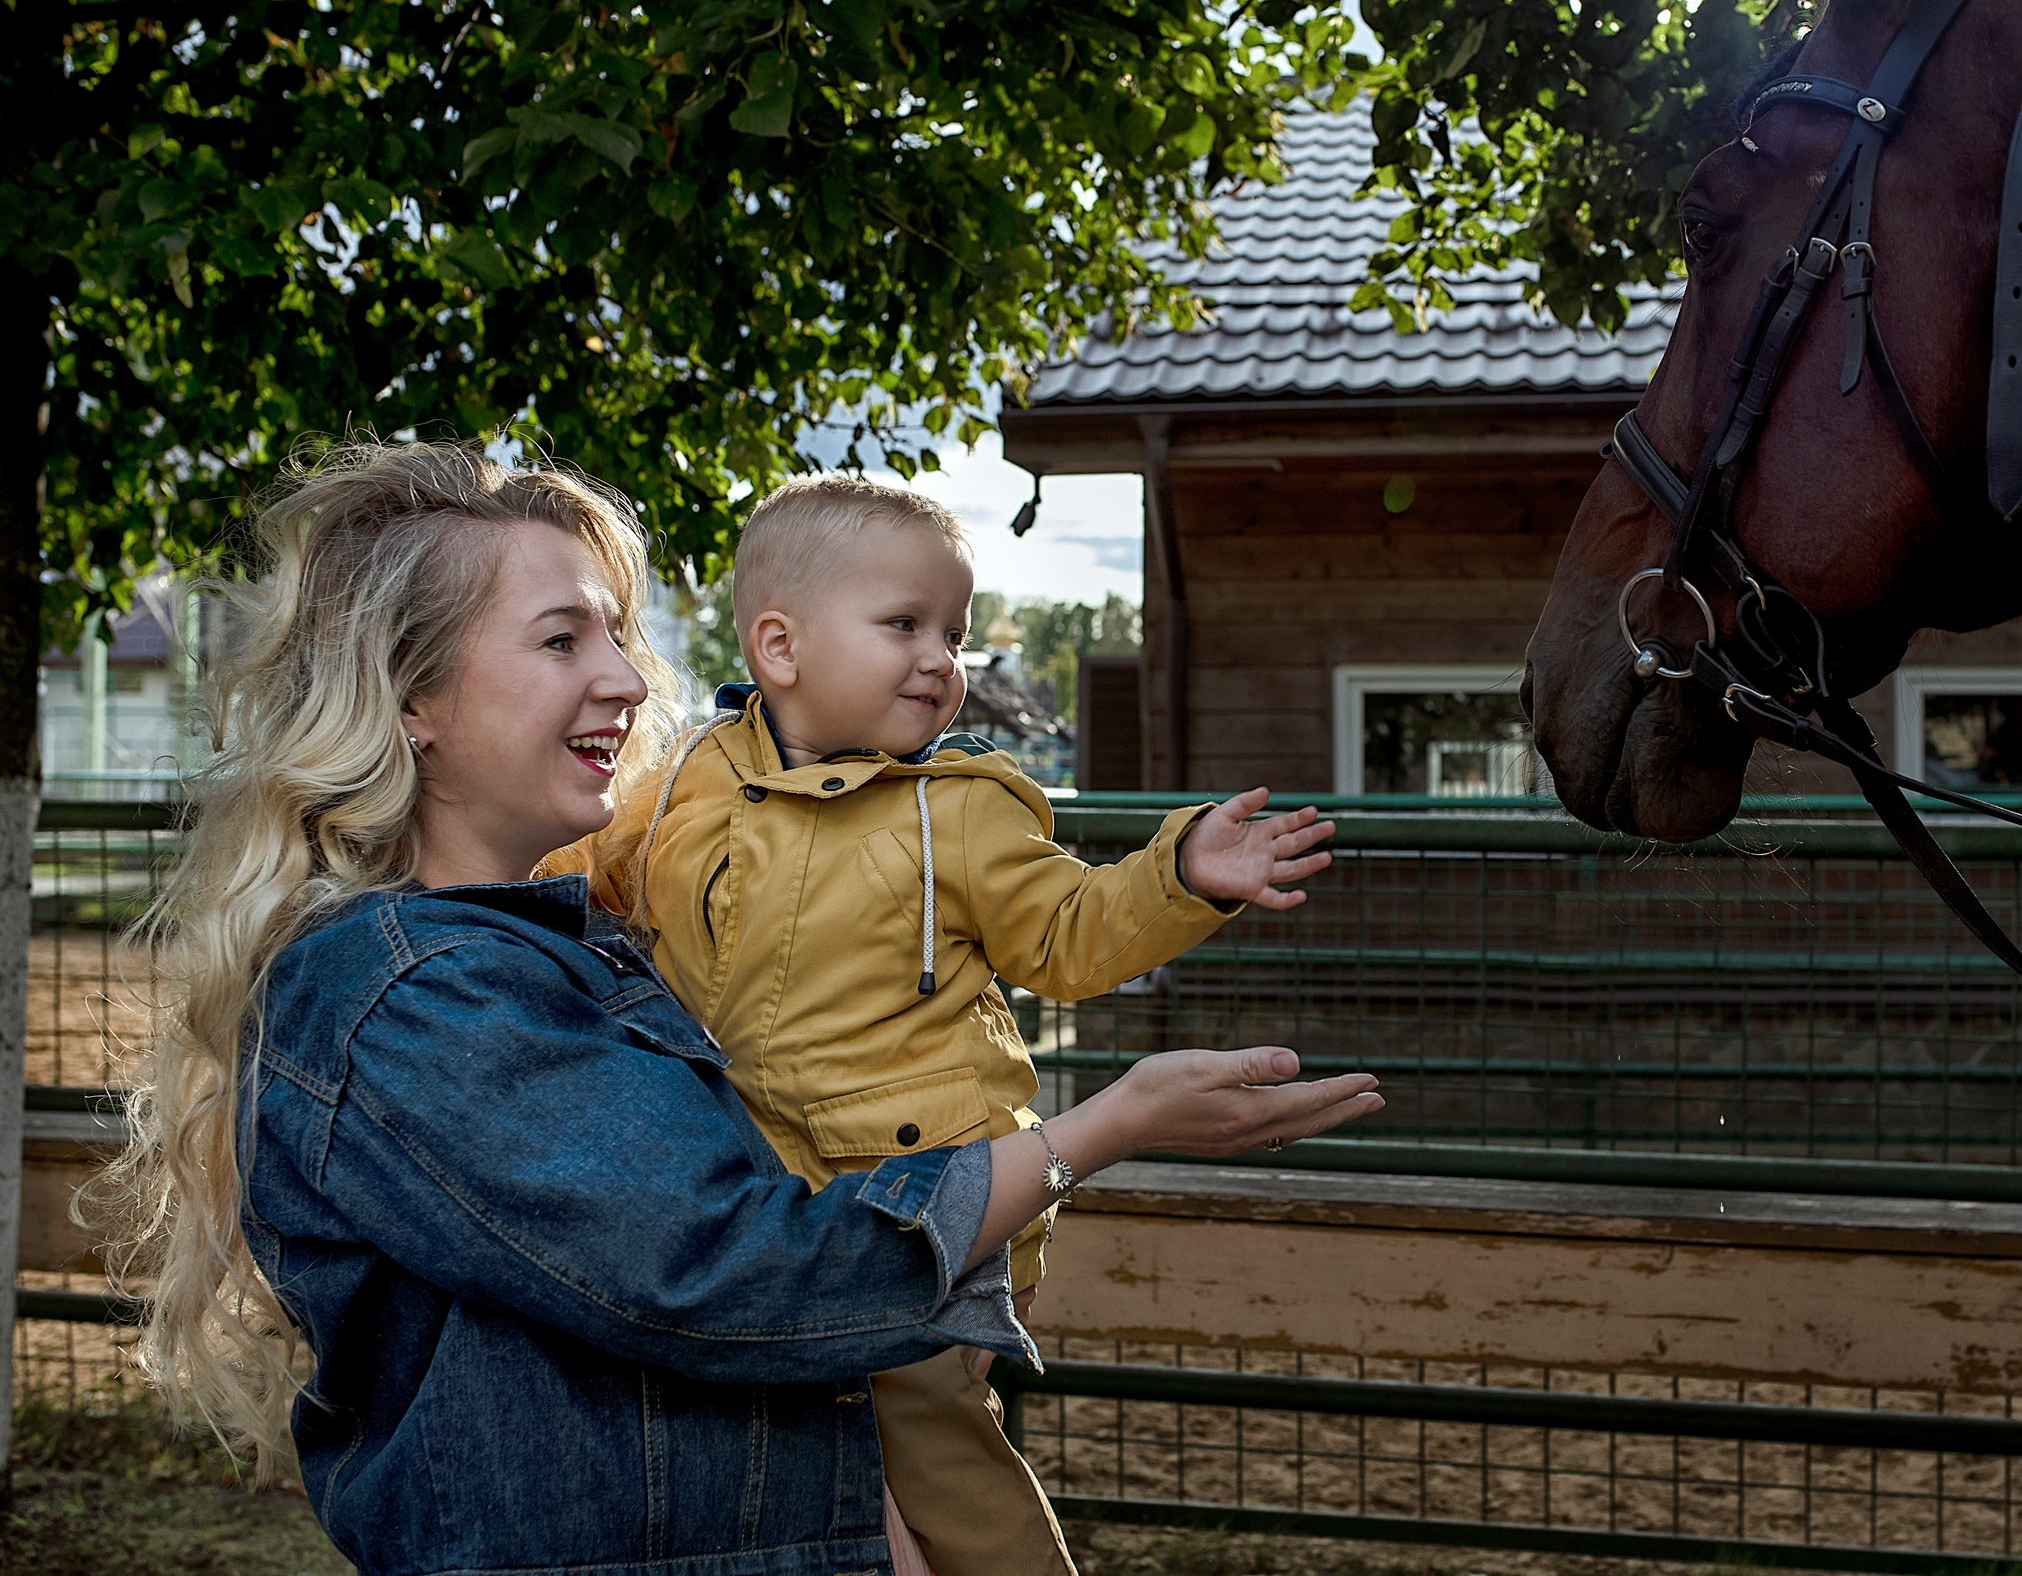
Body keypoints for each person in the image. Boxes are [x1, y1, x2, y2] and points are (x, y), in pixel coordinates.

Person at [90, 443, 1384, 1576]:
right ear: (411, 697)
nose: (625, 679)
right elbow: (723, 1270)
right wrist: (1096, 1132)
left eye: (616, 635)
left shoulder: (576, 937)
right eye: (561, 640)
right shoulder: (422, 994)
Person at [546, 473, 1336, 1576]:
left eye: (954, 634)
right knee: (765, 1449)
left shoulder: (960, 810)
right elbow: (589, 888)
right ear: (779, 647)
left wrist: (1180, 876)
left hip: (915, 1206)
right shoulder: (684, 782)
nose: (940, 660)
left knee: (932, 1447)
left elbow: (1069, 935)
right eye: (904, 625)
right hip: (738, 1193)